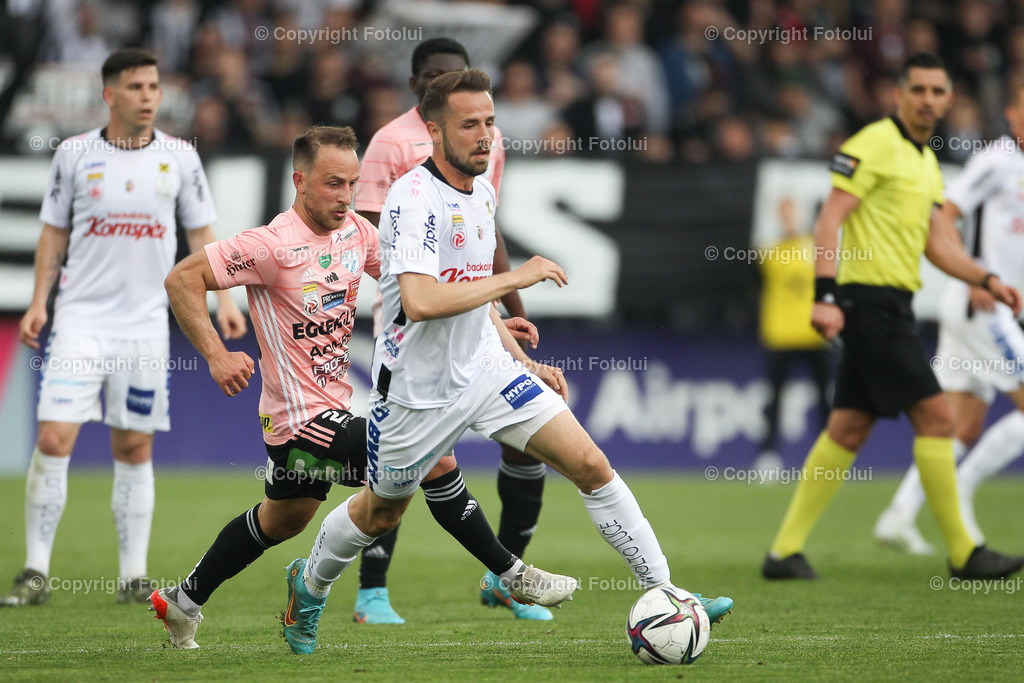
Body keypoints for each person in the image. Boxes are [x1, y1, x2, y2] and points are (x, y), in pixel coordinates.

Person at [280, 69, 734, 656]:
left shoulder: (483, 191)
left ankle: (667, 592)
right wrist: (517, 275)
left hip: (487, 371)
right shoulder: (411, 198)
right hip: (417, 393)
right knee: (381, 511)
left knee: (590, 464)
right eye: (470, 124)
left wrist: (521, 358)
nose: (485, 135)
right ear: (436, 132)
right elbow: (419, 301)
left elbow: (473, 289)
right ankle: (309, 585)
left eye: (490, 122)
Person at [149, 125, 541, 649]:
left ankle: (183, 601)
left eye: (353, 183)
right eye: (334, 183)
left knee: (282, 520)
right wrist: (218, 356)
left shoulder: (357, 233)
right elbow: (182, 279)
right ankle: (511, 575)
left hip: (328, 414)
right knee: (430, 460)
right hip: (297, 424)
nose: (346, 196)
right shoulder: (270, 244)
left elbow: (427, 284)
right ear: (300, 180)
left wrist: (491, 322)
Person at [761, 53, 1024, 581]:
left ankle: (783, 553)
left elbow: (936, 243)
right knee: (940, 418)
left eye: (938, 91)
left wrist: (984, 279)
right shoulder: (873, 143)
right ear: (900, 94)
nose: (928, 99)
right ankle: (964, 551)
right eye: (919, 89)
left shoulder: (925, 162)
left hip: (892, 304)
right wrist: (826, 295)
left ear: (949, 99)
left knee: (848, 428)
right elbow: (830, 218)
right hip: (867, 302)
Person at [1, 48, 247, 608]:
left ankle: (133, 576)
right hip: (81, 321)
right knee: (53, 437)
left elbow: (202, 235)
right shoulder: (74, 154)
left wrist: (223, 299)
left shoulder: (181, 157)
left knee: (134, 446)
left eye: (155, 87)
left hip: (144, 326)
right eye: (136, 87)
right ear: (110, 94)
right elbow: (53, 235)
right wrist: (40, 301)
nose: (148, 97)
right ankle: (36, 570)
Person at [352, 37, 551, 623]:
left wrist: (508, 303)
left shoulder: (486, 137)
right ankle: (372, 590)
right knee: (408, 468)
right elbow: (368, 228)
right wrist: (414, 290)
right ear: (418, 85)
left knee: (529, 449)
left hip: (478, 316)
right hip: (415, 321)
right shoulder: (391, 143)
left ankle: (509, 578)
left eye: (458, 74)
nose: (449, 83)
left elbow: (485, 225)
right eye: (437, 76)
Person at [874, 80, 1024, 555]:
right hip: (981, 304)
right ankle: (961, 492)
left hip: (991, 307)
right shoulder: (998, 159)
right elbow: (945, 214)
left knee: (962, 425)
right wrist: (979, 277)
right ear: (1012, 113)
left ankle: (898, 515)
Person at [755, 197, 831, 474]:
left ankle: (828, 460)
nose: (788, 217)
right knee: (774, 399)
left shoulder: (814, 247)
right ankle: (768, 456)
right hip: (781, 336)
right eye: (783, 212)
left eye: (791, 211)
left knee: (825, 399)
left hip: (814, 335)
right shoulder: (771, 251)